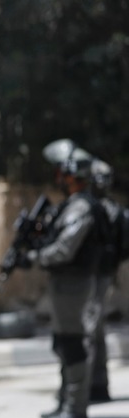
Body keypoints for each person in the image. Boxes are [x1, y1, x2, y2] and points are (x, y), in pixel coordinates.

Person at [29, 141, 107, 418]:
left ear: (71, 173)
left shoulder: (82, 208)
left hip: (75, 285)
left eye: (61, 171)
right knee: (63, 343)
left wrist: (37, 256)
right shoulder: (71, 206)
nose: (57, 177)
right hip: (65, 284)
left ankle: (75, 407)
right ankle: (66, 402)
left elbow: (64, 249)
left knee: (73, 343)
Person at [87, 158, 118, 403]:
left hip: (99, 276)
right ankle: (97, 384)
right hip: (94, 275)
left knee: (91, 330)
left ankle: (90, 386)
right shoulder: (96, 207)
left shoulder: (105, 210)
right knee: (96, 330)